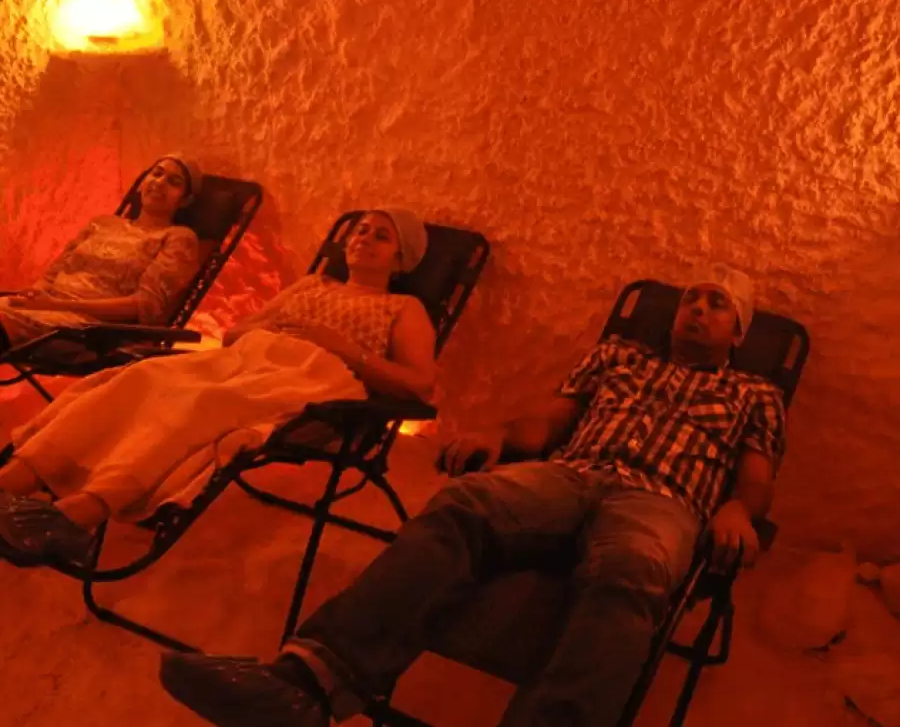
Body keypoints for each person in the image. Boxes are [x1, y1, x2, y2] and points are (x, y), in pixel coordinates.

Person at [157, 263, 787, 727]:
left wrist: (738, 508)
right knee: (462, 504)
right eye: (690, 298)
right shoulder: (619, 355)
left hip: (662, 502)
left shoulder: (755, 395)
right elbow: (550, 422)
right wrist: (498, 434)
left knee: (632, 574)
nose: (696, 309)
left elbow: (756, 476)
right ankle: (305, 686)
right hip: (571, 473)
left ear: (737, 333)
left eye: (716, 304)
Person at [0, 209, 436, 567]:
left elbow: (420, 384)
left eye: (381, 237)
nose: (364, 239)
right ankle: (15, 479)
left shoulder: (402, 307)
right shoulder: (311, 284)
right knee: (140, 377)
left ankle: (77, 515)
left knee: (203, 402)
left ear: (402, 260)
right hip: (246, 358)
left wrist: (345, 349)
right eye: (361, 230)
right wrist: (273, 327)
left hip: (311, 377)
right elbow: (235, 333)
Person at [0, 153, 205, 356]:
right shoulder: (102, 223)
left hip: (90, 332)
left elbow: (143, 306)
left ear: (185, 200)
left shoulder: (179, 238)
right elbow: (51, 276)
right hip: (41, 310)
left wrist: (54, 305)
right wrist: (34, 295)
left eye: (174, 182)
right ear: (142, 183)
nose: (159, 183)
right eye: (157, 173)